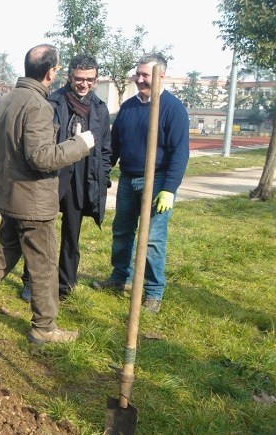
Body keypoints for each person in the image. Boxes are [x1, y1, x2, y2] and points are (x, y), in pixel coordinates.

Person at [0, 44, 94, 344]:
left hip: (8, 198)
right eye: (56, 69)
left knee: (6, 251)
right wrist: (80, 145)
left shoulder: (6, 101)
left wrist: (11, 172)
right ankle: (44, 328)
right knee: (43, 266)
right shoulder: (39, 106)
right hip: (33, 203)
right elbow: (42, 157)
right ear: (51, 72)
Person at [92, 53, 189, 314]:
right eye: (138, 74)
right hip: (128, 179)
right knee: (122, 231)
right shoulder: (129, 107)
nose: (140, 79)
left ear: (161, 76)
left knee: (153, 240)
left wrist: (169, 189)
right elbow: (115, 146)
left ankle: (153, 292)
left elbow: (180, 153)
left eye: (146, 75)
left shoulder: (173, 109)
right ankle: (119, 278)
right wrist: (103, 172)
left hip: (156, 182)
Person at [19, 54, 112, 302]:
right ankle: (31, 282)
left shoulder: (100, 109)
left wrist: (103, 178)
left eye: (90, 80)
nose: (84, 84)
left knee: (72, 235)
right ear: (69, 77)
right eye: (79, 79)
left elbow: (105, 150)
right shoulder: (51, 101)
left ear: (95, 79)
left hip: (81, 180)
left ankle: (65, 284)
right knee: (39, 234)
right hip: (52, 175)